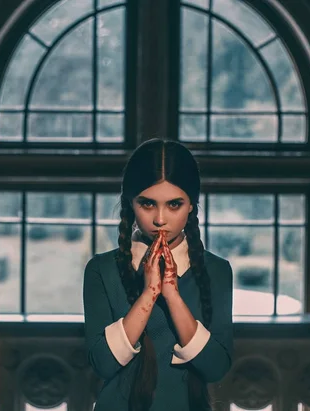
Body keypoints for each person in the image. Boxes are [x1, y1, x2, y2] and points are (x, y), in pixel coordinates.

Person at [83, 138, 234, 411]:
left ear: (192, 206)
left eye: (174, 205)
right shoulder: (101, 270)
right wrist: (149, 293)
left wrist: (172, 296)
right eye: (148, 204)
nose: (160, 219)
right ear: (130, 203)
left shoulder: (216, 271)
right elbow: (103, 364)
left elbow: (216, 368)